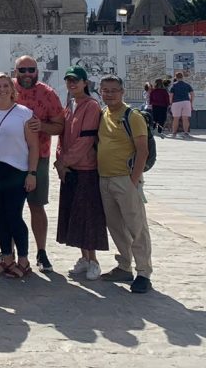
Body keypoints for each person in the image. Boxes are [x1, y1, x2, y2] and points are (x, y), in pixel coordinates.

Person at [0, 72, 39, 278]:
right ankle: (7, 257)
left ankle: (23, 259)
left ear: (13, 90)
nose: (2, 89)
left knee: (14, 215)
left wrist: (32, 173)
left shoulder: (24, 113)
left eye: (5, 86)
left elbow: (33, 146)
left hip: (16, 171)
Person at [96, 75, 153, 294]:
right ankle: (124, 265)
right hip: (105, 179)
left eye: (113, 90)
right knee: (116, 226)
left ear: (122, 92)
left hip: (125, 179)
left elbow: (142, 150)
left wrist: (133, 179)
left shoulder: (132, 116)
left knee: (137, 227)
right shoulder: (103, 114)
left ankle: (144, 272)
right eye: (105, 90)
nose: (109, 94)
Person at [54, 66, 108, 281]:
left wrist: (64, 162)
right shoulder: (70, 105)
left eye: (76, 80)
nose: (72, 83)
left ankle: (93, 260)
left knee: (88, 217)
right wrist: (60, 161)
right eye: (68, 80)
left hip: (85, 169)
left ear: (85, 82)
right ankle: (84, 258)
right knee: (74, 217)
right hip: (71, 170)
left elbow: (85, 140)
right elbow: (62, 137)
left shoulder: (91, 106)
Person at [12, 55, 64, 273]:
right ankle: (8, 251)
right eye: (22, 70)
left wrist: (41, 125)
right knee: (10, 208)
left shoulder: (48, 94)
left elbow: (60, 126)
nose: (26, 74)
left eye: (30, 70)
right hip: (10, 158)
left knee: (36, 205)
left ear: (37, 71)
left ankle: (41, 251)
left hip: (39, 157)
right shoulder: (6, 88)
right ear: (15, 71)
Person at [169, 71, 194, 138]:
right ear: (182, 77)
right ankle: (186, 132)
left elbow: (171, 95)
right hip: (186, 102)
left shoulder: (173, 85)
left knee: (176, 118)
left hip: (176, 103)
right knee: (185, 118)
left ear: (176, 77)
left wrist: (170, 103)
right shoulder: (187, 85)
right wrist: (191, 103)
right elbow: (192, 94)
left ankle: (174, 132)